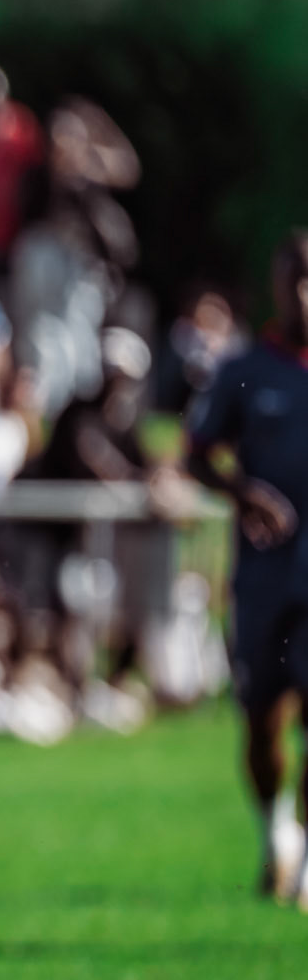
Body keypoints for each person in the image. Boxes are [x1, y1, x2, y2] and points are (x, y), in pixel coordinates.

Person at [187, 233, 308, 904]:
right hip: (264, 577)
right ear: (276, 284)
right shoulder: (245, 370)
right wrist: (244, 492)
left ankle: (307, 861)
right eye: (295, 280)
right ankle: (275, 834)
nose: (304, 295)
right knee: (262, 722)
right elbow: (195, 454)